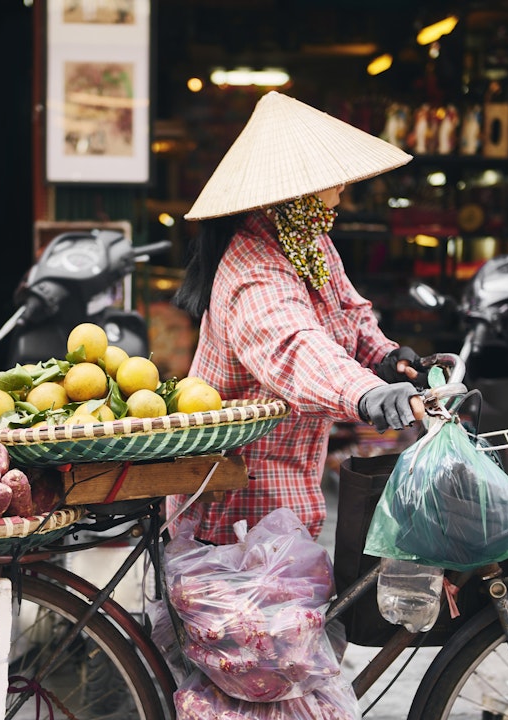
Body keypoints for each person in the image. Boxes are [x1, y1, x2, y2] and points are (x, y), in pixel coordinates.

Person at [169, 91, 425, 545]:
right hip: (238, 495)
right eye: (331, 177)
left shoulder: (308, 243)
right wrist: (366, 393)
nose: (342, 186)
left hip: (287, 481)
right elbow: (294, 346)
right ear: (297, 190)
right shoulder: (253, 271)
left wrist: (385, 359)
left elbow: (348, 312)